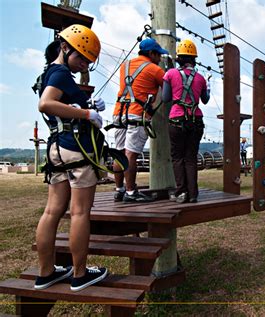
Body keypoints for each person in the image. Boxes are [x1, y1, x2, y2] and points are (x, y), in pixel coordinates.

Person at [34, 24, 108, 292]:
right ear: (64, 47)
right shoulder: (62, 72)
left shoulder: (50, 72)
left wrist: (86, 105)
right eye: (81, 58)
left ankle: (46, 273)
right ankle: (79, 275)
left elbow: (62, 106)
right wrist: (89, 115)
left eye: (87, 61)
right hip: (75, 148)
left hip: (56, 149)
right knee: (79, 212)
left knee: (53, 210)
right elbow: (46, 103)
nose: (83, 65)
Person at [112, 38, 168, 202]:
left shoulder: (125, 66)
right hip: (137, 114)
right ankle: (131, 193)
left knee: (119, 152)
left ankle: (119, 190)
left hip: (119, 112)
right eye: (158, 55)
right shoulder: (155, 70)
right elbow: (167, 93)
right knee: (131, 155)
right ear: (151, 53)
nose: (160, 59)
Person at [162, 39, 209, 204]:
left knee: (177, 158)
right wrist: (206, 88)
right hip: (196, 119)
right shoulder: (201, 78)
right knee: (190, 157)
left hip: (176, 119)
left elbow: (165, 98)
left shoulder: (170, 74)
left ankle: (181, 193)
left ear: (178, 58)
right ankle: (193, 194)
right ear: (193, 58)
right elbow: (205, 100)